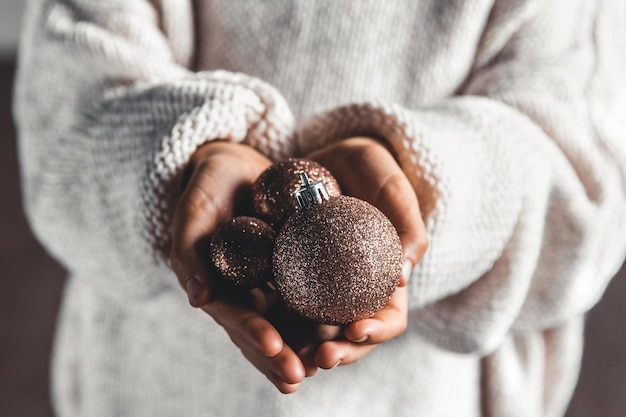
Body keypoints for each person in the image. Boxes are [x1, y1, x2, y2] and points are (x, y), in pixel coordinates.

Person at [14, 0, 626, 416]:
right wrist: (183, 164)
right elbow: (61, 123)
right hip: (146, 389)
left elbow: (586, 199)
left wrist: (429, 187)